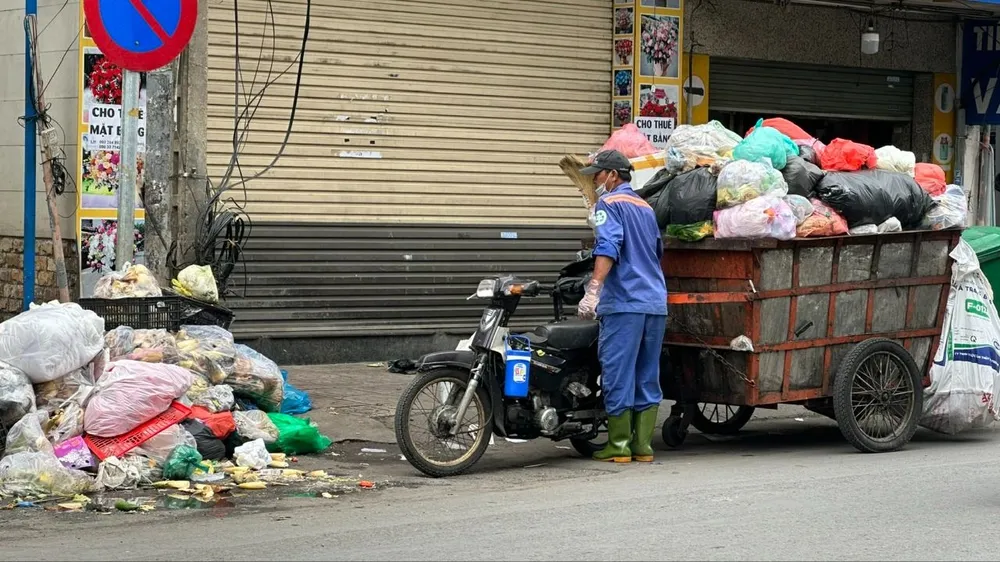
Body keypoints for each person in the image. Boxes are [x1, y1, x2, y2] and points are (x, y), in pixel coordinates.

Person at [578, 149, 668, 463]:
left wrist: (593, 290)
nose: (596, 182)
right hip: (655, 302)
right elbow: (657, 251)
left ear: (614, 176)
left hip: (625, 302)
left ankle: (618, 444)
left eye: (599, 176)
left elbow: (608, 246)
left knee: (617, 371)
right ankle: (642, 446)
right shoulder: (645, 207)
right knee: (647, 372)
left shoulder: (609, 204)